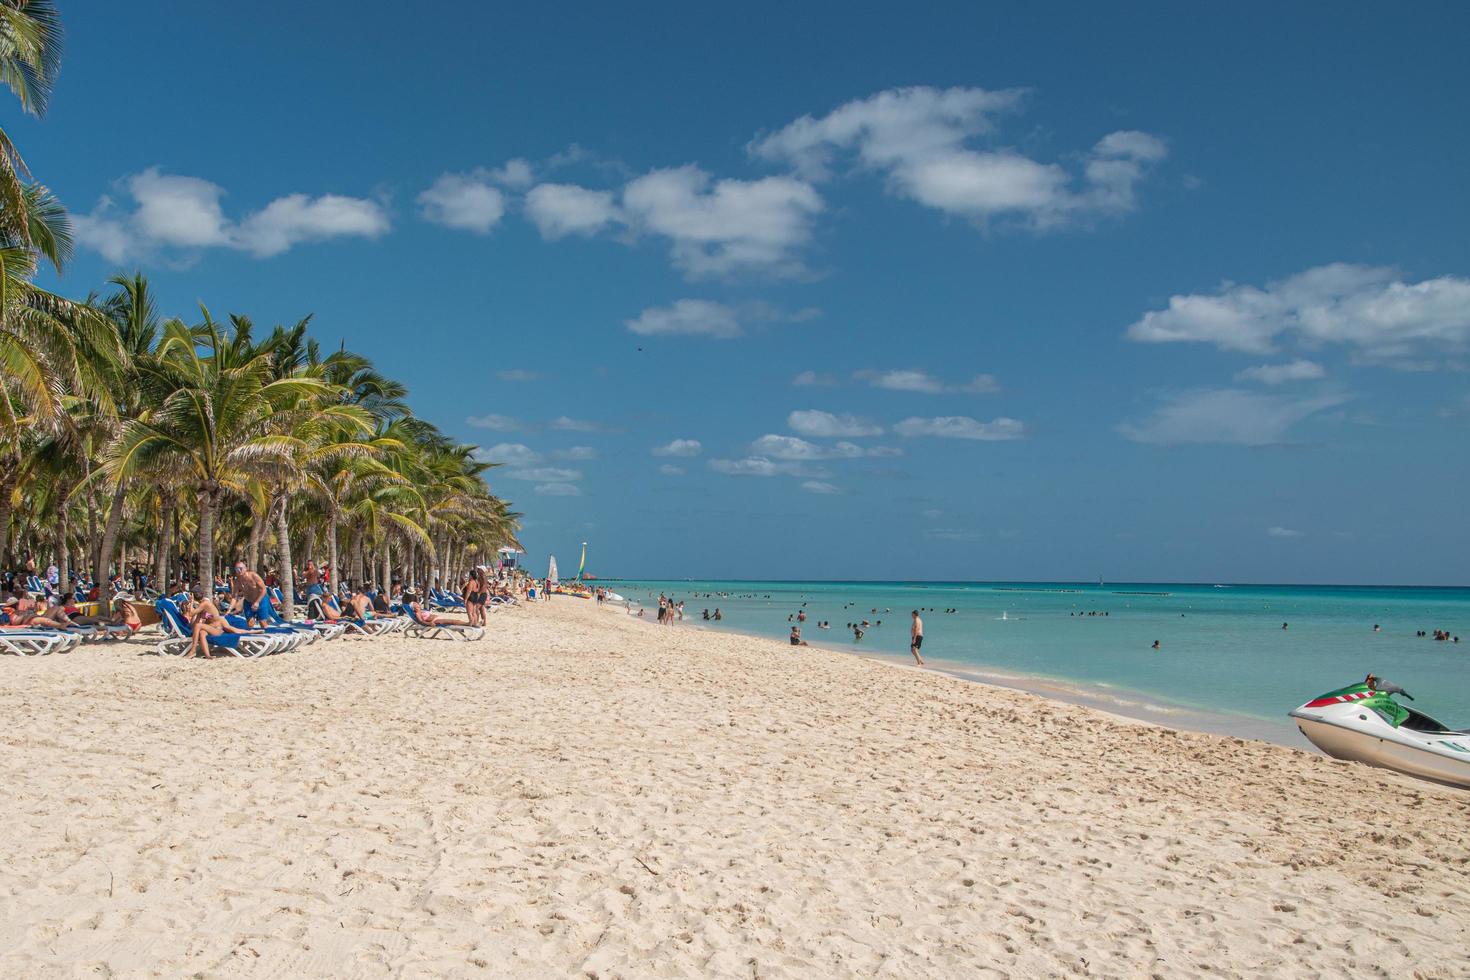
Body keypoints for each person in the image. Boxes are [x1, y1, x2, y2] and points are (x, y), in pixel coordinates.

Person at [233, 561, 268, 628]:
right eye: (237, 569)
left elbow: (264, 589)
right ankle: (252, 637)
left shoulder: (253, 576)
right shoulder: (237, 582)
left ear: (245, 568)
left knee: (262, 623)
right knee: (250, 623)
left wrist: (257, 602)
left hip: (260, 600)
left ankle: (265, 635)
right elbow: (234, 597)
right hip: (248, 601)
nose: (239, 571)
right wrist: (229, 609)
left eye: (240, 568)